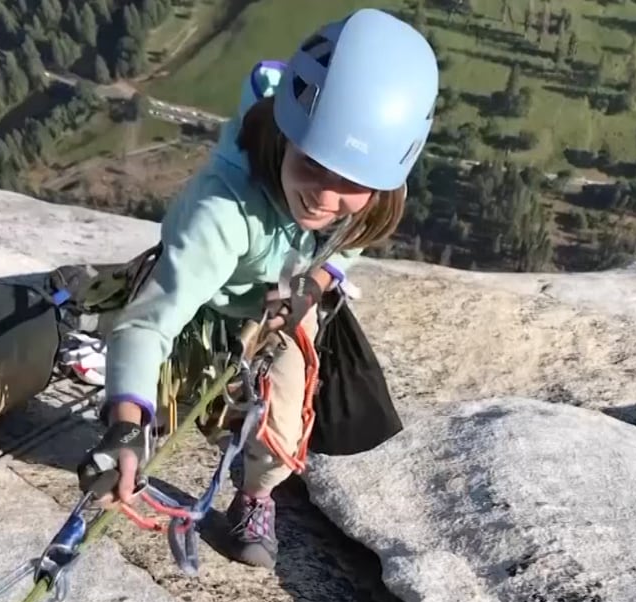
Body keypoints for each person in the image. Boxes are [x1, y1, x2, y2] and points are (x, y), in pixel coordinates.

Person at [79, 7, 440, 569]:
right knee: (173, 397)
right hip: (206, 304)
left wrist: (315, 284)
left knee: (284, 418)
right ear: (286, 134)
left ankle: (256, 495)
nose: (324, 197)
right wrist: (126, 426)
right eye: (312, 165)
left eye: (351, 183)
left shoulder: (372, 186)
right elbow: (152, 318)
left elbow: (349, 241)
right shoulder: (222, 211)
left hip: (282, 303)